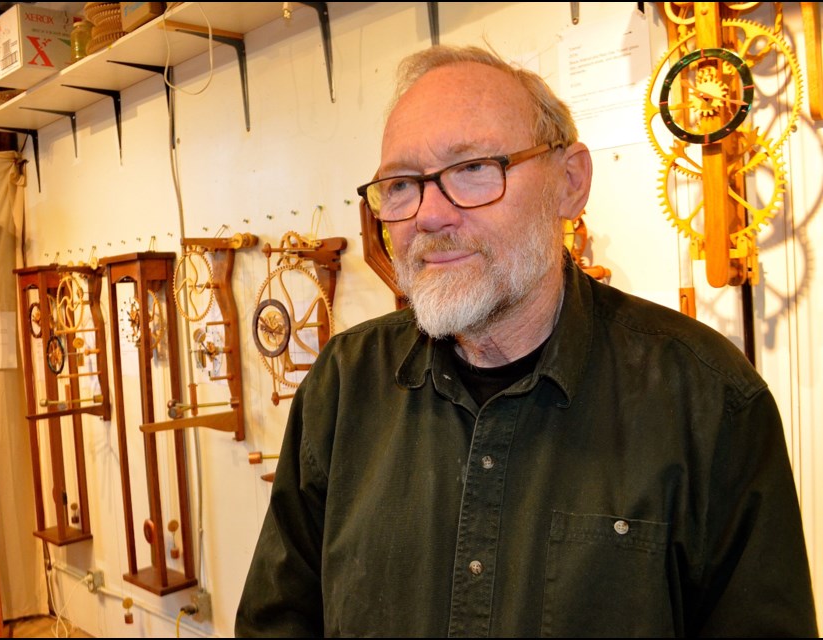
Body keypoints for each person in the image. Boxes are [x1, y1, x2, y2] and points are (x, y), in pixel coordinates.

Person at [234, 44, 817, 637]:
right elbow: (275, 623)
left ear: (570, 182)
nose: (430, 215)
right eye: (402, 184)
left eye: (473, 169)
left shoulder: (708, 400)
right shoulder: (344, 383)